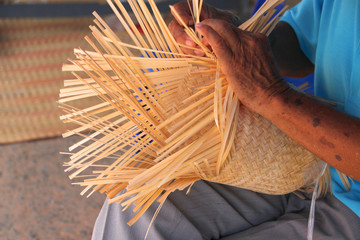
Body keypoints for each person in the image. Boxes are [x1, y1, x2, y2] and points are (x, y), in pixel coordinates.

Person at [91, 0, 360, 239]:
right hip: (317, 165)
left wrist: (272, 96)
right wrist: (231, 36)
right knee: (138, 201)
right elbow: (299, 42)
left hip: (352, 207)